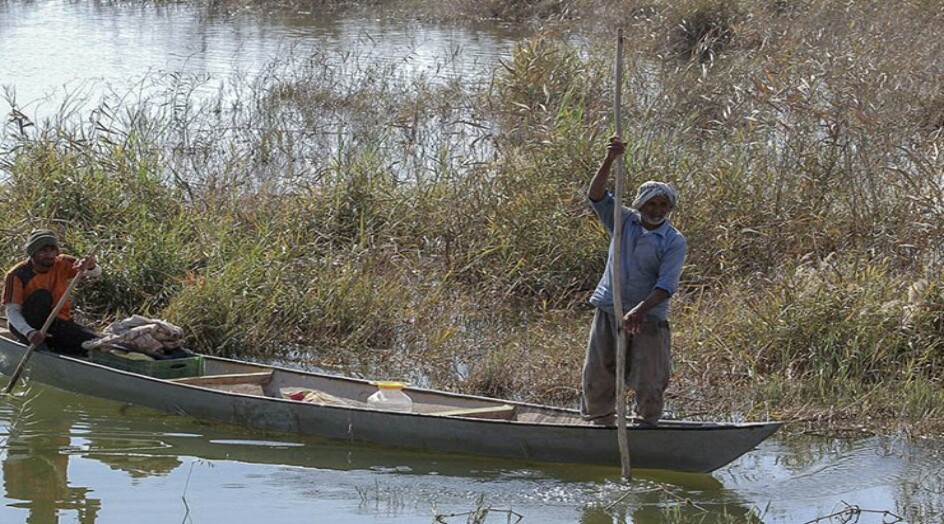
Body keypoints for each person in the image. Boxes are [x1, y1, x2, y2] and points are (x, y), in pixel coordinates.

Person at [581, 136, 687, 427]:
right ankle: (601, 422)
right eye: (651, 203)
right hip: (609, 307)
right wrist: (610, 159)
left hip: (649, 316)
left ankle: (646, 426)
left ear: (669, 208)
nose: (656, 210)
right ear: (641, 204)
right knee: (600, 371)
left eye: (663, 205)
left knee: (649, 376)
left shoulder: (673, 240)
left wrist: (639, 311)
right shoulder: (623, 220)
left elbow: (666, 285)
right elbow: (596, 195)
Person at [2, 229, 101, 355]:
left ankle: (55, 346)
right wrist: (29, 332)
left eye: (52, 250)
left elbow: (95, 273)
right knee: (42, 296)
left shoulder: (62, 262)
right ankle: (38, 345)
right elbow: (12, 312)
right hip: (28, 326)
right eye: (43, 251)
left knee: (96, 343)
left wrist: (90, 266)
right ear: (33, 253)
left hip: (58, 324)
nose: (49, 255)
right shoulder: (17, 274)